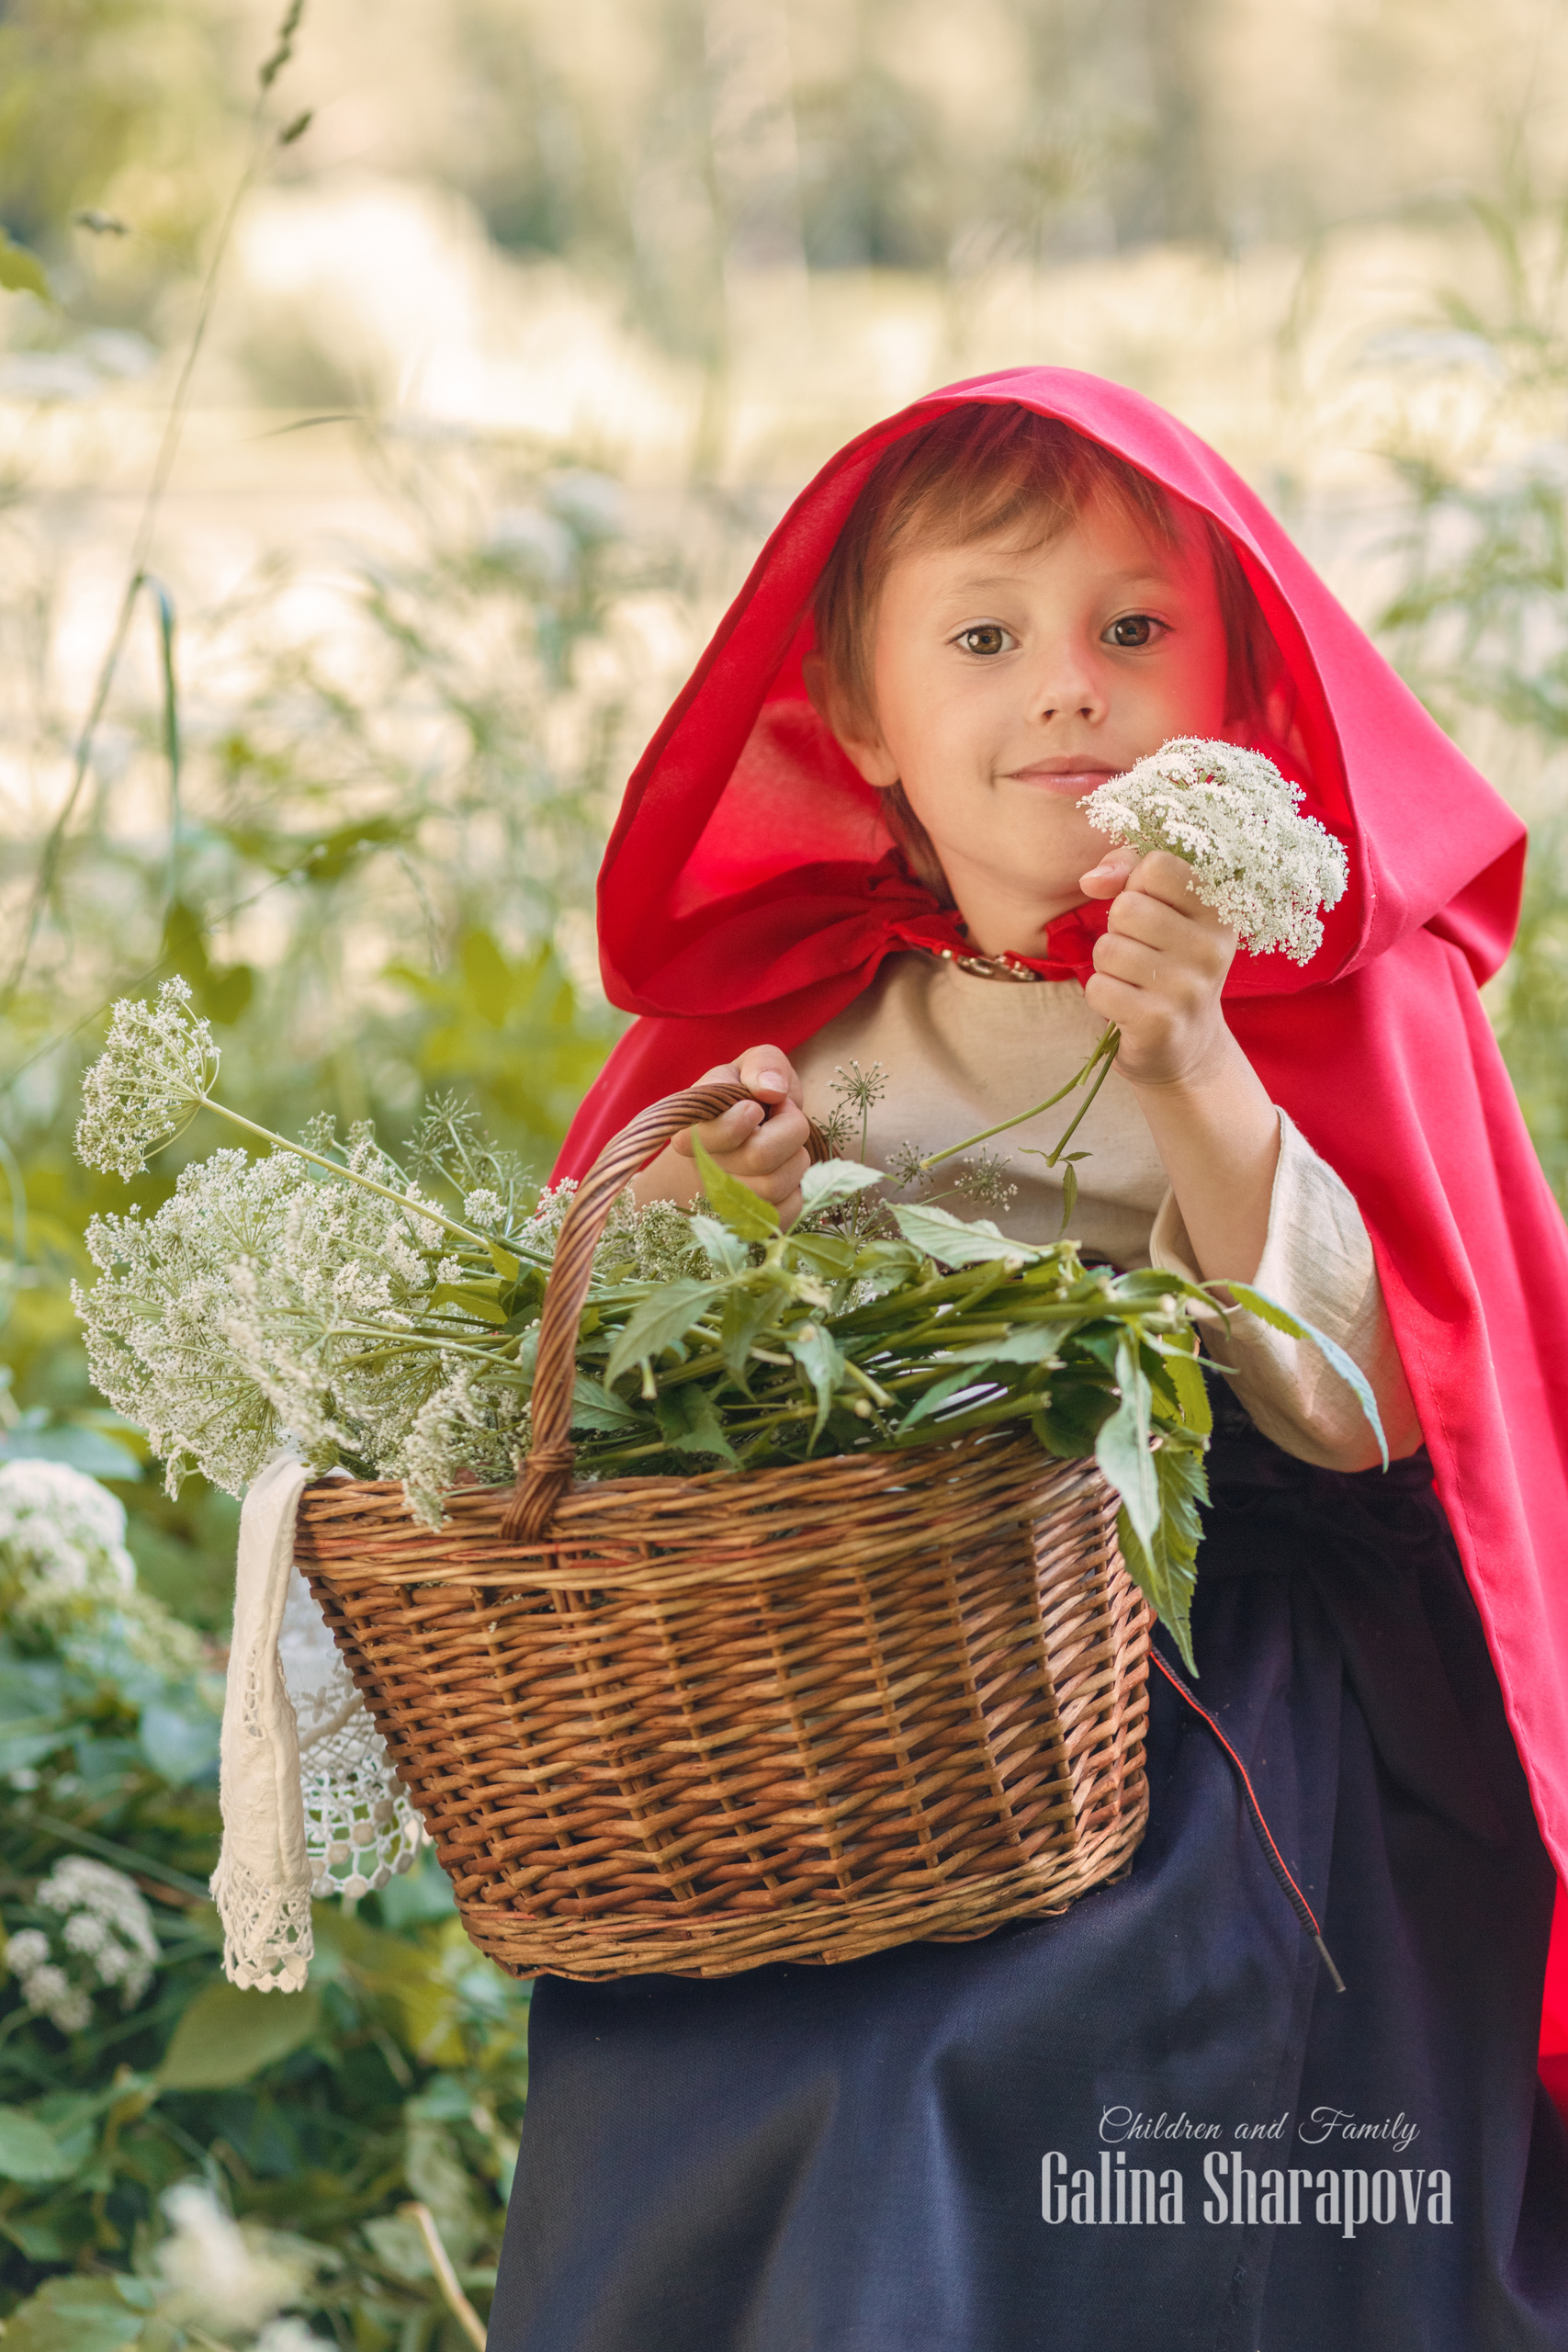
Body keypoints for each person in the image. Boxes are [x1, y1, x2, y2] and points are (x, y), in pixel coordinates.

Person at [487, 374, 1568, 2350]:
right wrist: (714, 1225)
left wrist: (1202, 1074)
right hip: (856, 1696)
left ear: (1232, 682)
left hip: (1222, 1676)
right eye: (982, 637)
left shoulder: (1335, 990)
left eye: (1129, 629)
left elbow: (1394, 1413)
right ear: (866, 721)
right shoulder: (806, 1017)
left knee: (969, 2069)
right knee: (705, 2045)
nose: (1063, 687)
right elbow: (607, 1380)